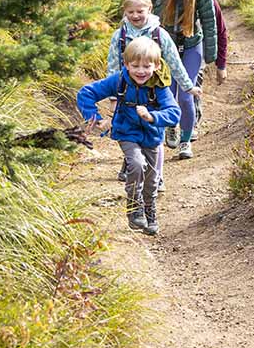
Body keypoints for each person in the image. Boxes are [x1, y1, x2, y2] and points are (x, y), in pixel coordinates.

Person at [77, 37, 180, 235]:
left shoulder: (159, 87)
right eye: (135, 66)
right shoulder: (119, 81)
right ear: (126, 64)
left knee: (152, 180)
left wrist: (152, 116)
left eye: (146, 66)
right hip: (127, 132)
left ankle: (149, 209)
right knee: (136, 163)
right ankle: (134, 206)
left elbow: (174, 113)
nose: (141, 71)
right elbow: (86, 93)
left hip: (152, 136)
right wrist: (96, 118)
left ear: (156, 66)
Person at [108, 0, 201, 191]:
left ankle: (156, 177)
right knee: (130, 132)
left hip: (155, 93)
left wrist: (188, 87)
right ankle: (133, 164)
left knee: (154, 136)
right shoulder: (120, 35)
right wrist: (113, 95)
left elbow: (175, 63)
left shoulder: (160, 34)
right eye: (130, 12)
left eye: (140, 11)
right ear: (125, 11)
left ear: (149, 8)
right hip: (128, 93)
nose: (135, 16)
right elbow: (113, 65)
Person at [144, 0, 217, 159]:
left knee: (186, 94)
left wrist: (212, 54)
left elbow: (209, 21)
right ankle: (171, 126)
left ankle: (186, 140)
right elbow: (140, 13)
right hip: (163, 47)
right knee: (167, 91)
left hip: (191, 45)